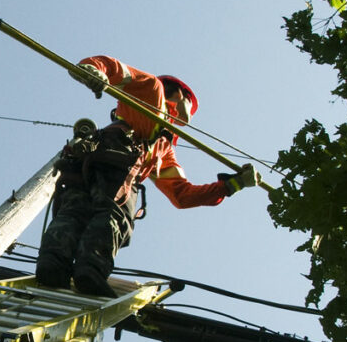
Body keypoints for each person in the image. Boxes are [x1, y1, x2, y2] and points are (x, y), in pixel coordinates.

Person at [35, 55, 260, 297]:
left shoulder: (162, 149)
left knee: (75, 211)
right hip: (117, 166)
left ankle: (53, 263)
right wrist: (93, 70)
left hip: (84, 167)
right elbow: (116, 69)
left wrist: (231, 185)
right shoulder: (152, 92)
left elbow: (181, 195)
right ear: (182, 98)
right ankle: (90, 269)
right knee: (113, 215)